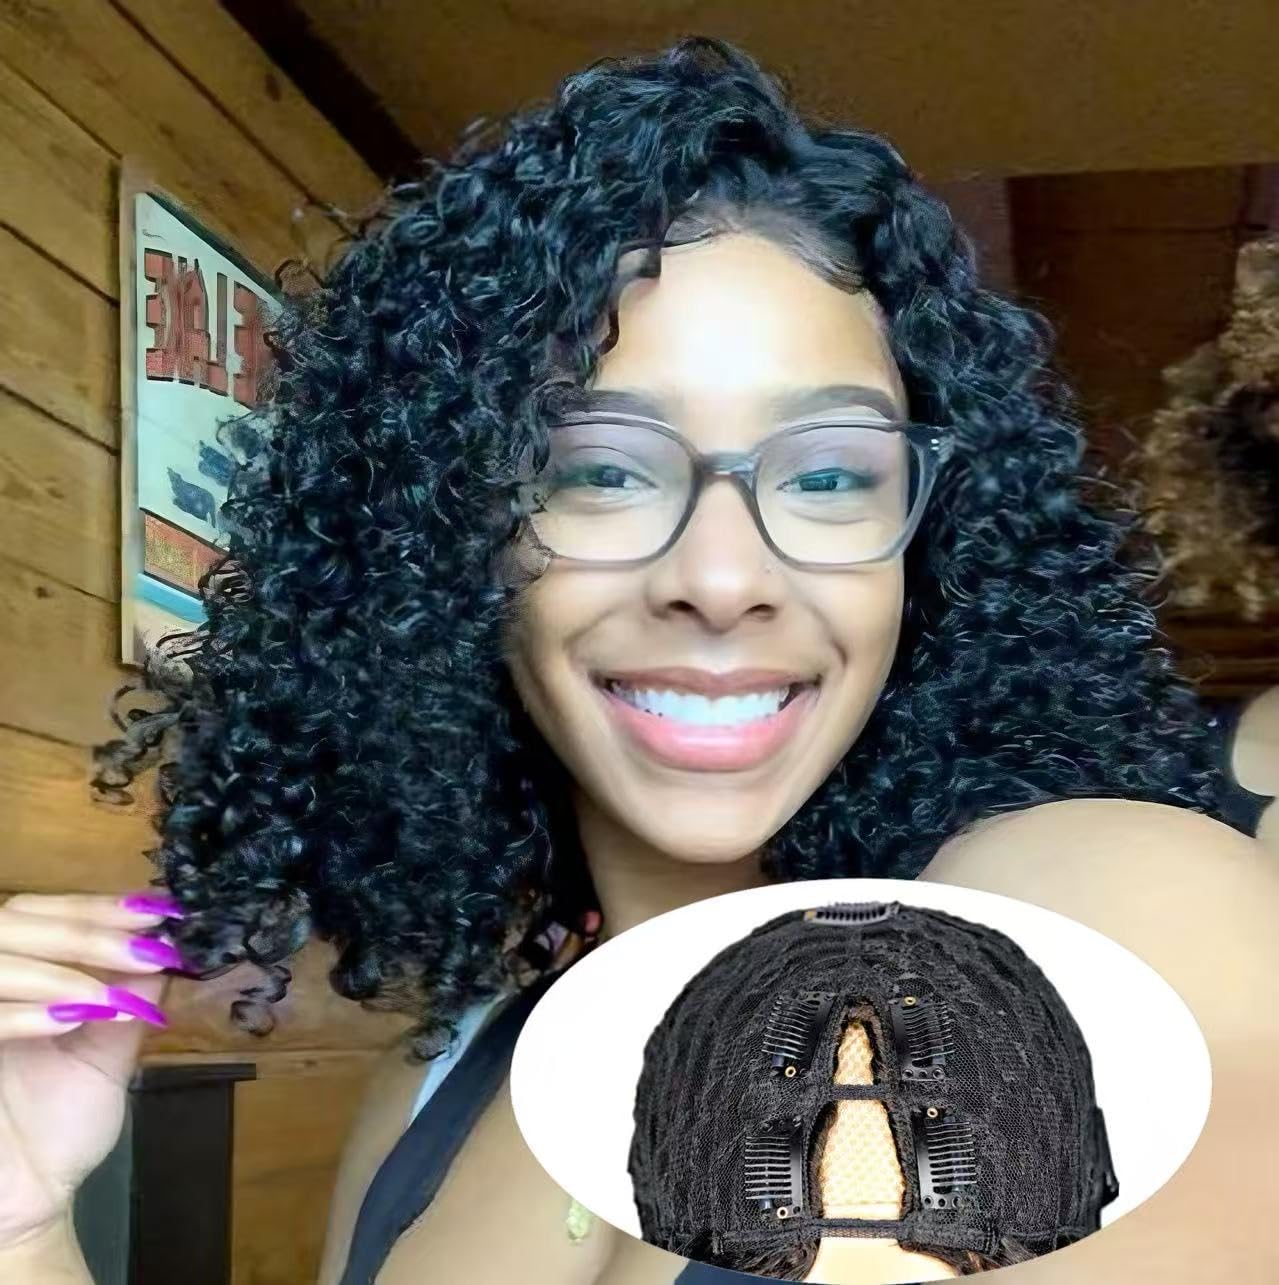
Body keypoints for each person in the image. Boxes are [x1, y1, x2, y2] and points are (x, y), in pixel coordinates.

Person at [1, 37, 1275, 1285]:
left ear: (929, 542)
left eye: (830, 475)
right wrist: (27, 1227)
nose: (720, 579)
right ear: (442, 535)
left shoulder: (1098, 899)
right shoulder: (433, 1084)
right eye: (601, 471)